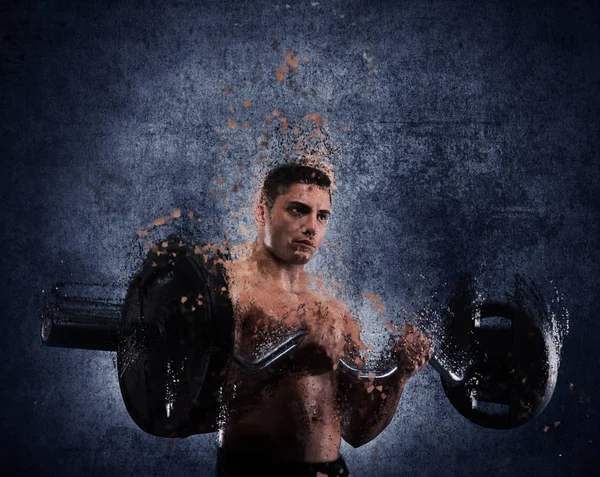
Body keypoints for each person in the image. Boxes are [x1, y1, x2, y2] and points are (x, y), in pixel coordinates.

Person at [217, 163, 432, 477]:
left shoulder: (334, 312)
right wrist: (291, 365)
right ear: (262, 213)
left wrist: (400, 375)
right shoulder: (232, 292)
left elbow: (358, 431)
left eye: (321, 216)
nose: (311, 227)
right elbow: (209, 406)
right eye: (298, 210)